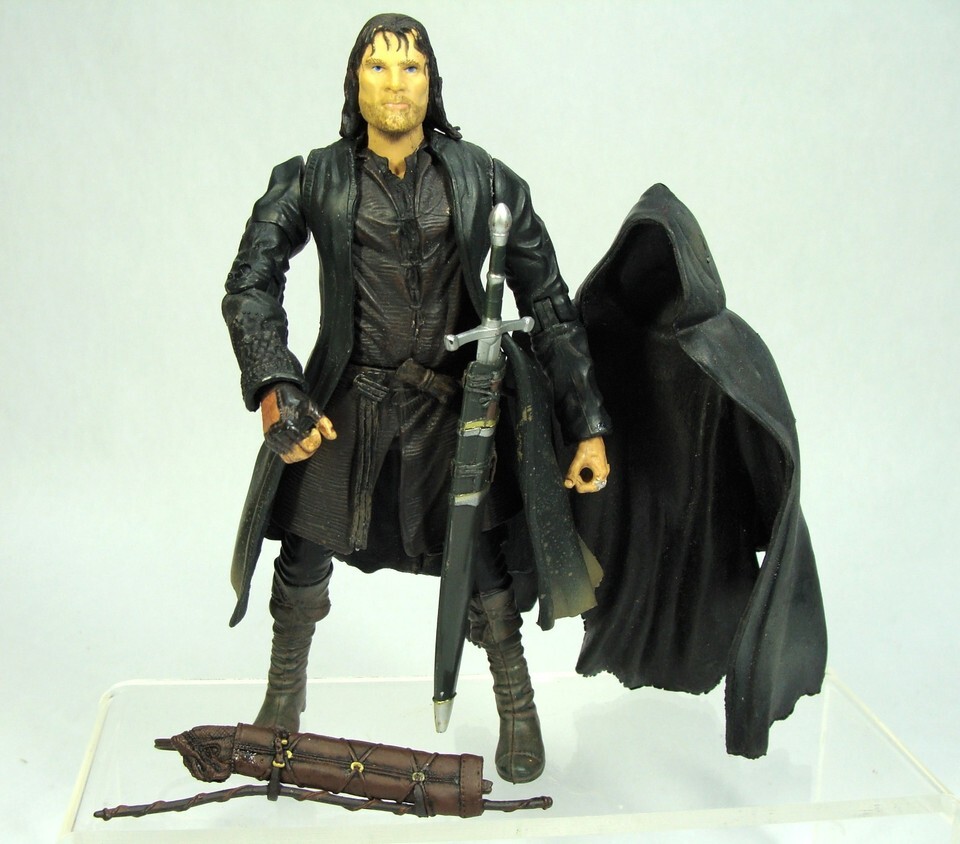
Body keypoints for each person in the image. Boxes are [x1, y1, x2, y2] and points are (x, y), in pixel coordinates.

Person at [222, 13, 611, 784]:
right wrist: (275, 383)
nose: (395, 84)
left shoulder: (485, 180)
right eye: (378, 67)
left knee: (484, 566)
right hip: (346, 406)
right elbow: (250, 284)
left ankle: (516, 702)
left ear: (432, 82)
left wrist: (587, 424)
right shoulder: (312, 178)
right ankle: (283, 695)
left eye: (411, 68)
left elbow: (550, 303)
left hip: (455, 411)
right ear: (354, 82)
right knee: (303, 552)